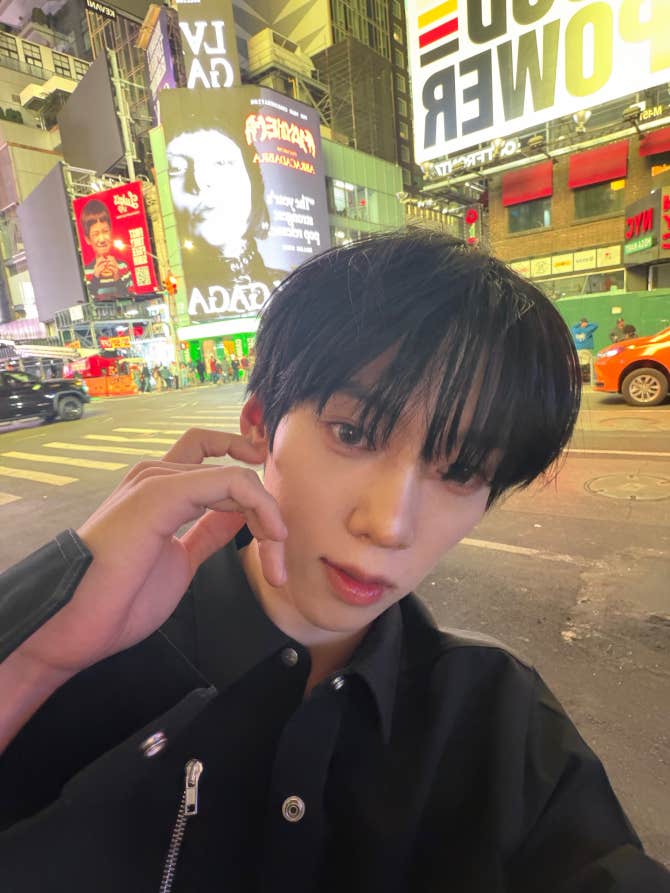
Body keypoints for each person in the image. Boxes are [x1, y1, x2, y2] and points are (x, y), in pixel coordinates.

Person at [0, 233, 668, 892]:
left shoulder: (497, 721)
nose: (389, 524)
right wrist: (35, 658)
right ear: (260, 426)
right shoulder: (83, 645)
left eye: (462, 471)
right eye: (352, 433)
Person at [165, 113, 287, 312]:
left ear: (253, 180)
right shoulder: (177, 300)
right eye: (176, 169)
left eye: (221, 163)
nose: (200, 182)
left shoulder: (290, 286)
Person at [79, 199, 133, 302]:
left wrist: (117, 278)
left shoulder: (123, 267)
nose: (102, 239)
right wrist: (95, 278)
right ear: (88, 239)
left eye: (105, 231)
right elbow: (88, 302)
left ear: (111, 231)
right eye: (96, 234)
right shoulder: (86, 272)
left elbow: (131, 299)